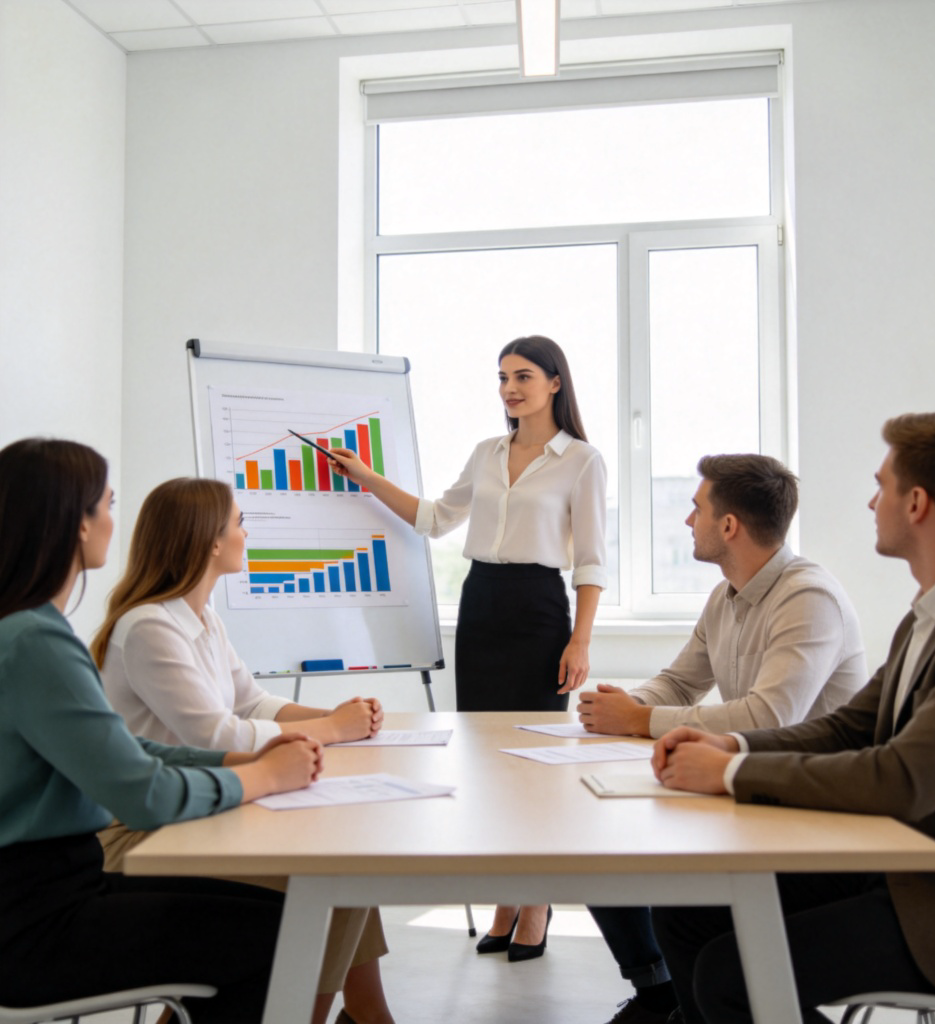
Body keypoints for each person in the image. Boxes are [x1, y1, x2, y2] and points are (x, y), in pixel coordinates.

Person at [649, 412, 935, 1024]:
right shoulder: (934, 611)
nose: (872, 502)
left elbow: (902, 778)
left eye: (882, 486)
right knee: (685, 910)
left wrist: (732, 774)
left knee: (730, 976)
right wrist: (732, 745)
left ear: (917, 504)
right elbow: (850, 727)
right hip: (901, 868)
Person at [0, 437, 323, 1021]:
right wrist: (268, 776)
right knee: (279, 937)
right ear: (78, 523)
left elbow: (122, 749)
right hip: (33, 920)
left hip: (50, 891)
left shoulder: (28, 629)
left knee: (287, 918)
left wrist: (233, 763)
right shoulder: (36, 641)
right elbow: (144, 795)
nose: (113, 521)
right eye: (107, 505)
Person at [329, 334, 607, 961]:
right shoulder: (487, 453)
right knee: (487, 761)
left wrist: (581, 639)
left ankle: (536, 903)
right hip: (481, 605)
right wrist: (366, 478)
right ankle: (506, 899)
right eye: (502, 378)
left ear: (555, 382)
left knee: (535, 764)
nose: (510, 389)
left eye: (523, 376)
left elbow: (591, 561)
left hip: (539, 610)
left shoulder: (582, 460)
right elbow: (434, 518)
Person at [575, 453, 868, 1024]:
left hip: (812, 813)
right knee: (596, 844)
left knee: (680, 902)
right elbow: (680, 680)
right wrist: (625, 704)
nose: (688, 521)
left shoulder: (809, 599)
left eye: (697, 508)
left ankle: (692, 1009)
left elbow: (768, 716)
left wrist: (638, 720)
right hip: (748, 792)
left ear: (729, 525)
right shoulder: (725, 595)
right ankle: (662, 996)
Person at [91, 476, 394, 1024]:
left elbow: (251, 702)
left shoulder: (201, 616)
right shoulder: (149, 628)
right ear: (210, 540)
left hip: (197, 806)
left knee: (348, 860)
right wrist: (333, 729)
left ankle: (367, 1013)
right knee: (331, 875)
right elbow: (217, 736)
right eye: (239, 522)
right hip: (143, 830)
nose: (246, 534)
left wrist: (334, 716)